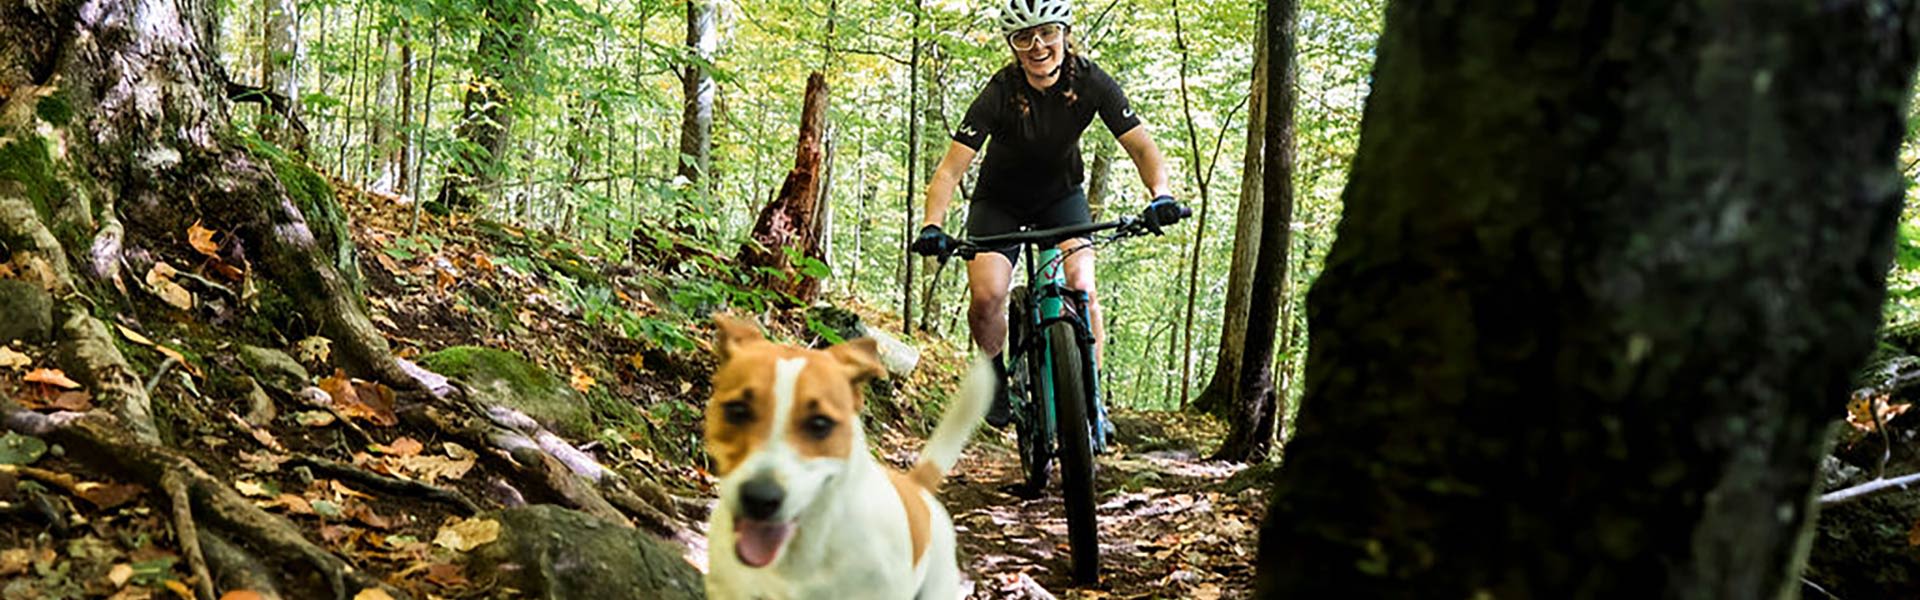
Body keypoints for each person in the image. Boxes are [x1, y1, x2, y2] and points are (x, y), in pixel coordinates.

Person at [911, 0, 1175, 429]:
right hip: (999, 203)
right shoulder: (999, 92)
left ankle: (1091, 400)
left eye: (1047, 32)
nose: (1038, 45)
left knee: (1082, 287)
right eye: (1023, 37)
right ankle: (995, 376)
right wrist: (932, 225)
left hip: (1061, 198)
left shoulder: (1091, 82)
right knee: (987, 298)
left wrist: (1160, 194)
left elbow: (1142, 147)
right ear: (1012, 45)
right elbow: (949, 170)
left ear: (1065, 33)